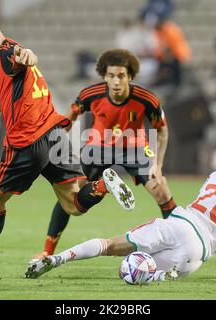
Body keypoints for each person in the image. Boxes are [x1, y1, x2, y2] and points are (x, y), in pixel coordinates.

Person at [0, 14, 135, 271]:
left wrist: (29, 55)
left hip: (27, 142)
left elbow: (25, 56)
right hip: (54, 135)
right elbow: (2, 98)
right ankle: (102, 185)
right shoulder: (7, 56)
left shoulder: (7, 53)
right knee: (73, 205)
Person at [26, 150, 216, 281]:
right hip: (198, 252)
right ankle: (161, 275)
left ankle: (58, 258)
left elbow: (205, 207)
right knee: (135, 274)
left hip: (180, 222)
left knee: (109, 246)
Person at [33, 49, 176, 261]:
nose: (116, 81)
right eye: (111, 76)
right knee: (69, 194)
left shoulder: (147, 99)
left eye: (121, 76)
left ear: (129, 76)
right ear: (104, 76)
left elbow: (162, 131)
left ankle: (182, 239)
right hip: (97, 147)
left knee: (161, 192)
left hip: (135, 148)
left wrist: (158, 165)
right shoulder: (90, 94)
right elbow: (69, 117)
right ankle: (47, 251)